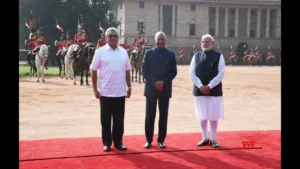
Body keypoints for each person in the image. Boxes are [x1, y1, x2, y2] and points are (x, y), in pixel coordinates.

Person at [90, 27, 132, 152]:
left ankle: (118, 142)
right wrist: (95, 89)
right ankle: (107, 142)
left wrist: (129, 86)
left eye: (115, 36)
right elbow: (94, 71)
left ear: (118, 38)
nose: (113, 38)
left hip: (120, 92)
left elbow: (127, 70)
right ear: (106, 38)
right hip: (105, 92)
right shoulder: (100, 52)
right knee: (105, 120)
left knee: (119, 120)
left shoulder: (124, 52)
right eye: (110, 36)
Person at [141, 31, 177, 149]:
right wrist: (155, 82)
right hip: (151, 89)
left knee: (163, 116)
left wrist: (163, 82)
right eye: (159, 39)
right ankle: (148, 140)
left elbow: (173, 72)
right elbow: (144, 70)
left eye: (163, 39)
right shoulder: (148, 53)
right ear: (154, 41)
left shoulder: (171, 54)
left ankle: (161, 140)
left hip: (165, 89)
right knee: (150, 115)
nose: (161, 41)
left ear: (166, 41)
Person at [189, 34, 225, 148]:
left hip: (214, 91)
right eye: (203, 41)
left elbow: (221, 74)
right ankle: (204, 138)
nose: (205, 43)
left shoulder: (219, 56)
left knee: (213, 115)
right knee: (202, 115)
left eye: (207, 41)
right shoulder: (196, 56)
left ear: (212, 43)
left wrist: (209, 86)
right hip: (200, 91)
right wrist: (201, 86)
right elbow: (191, 73)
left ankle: (213, 139)